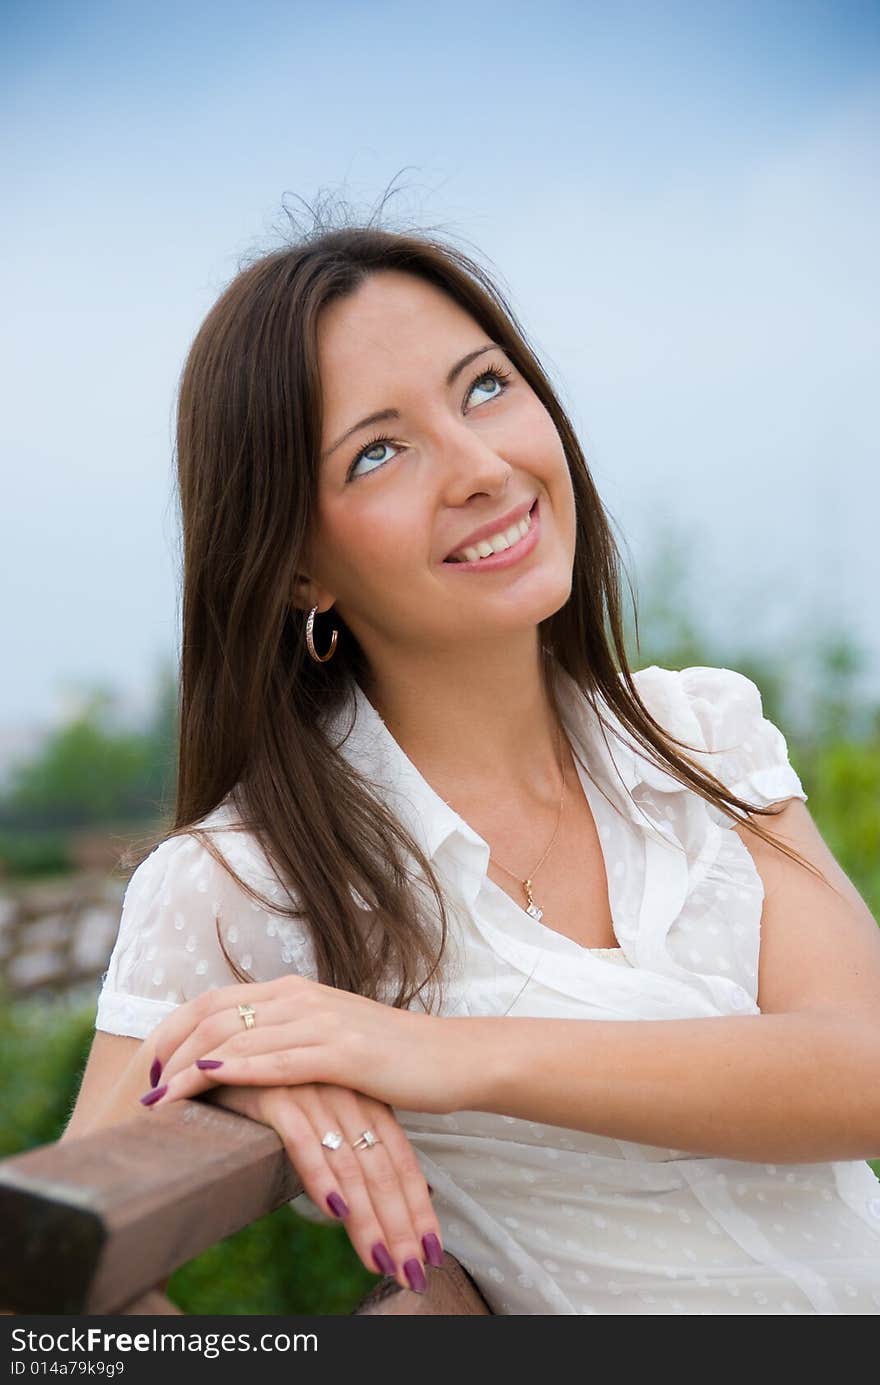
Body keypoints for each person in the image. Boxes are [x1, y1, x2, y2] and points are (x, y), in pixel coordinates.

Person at [63, 218, 880, 1315]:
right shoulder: (237, 880)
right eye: (378, 451)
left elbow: (863, 1067)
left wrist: (437, 1054)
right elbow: (57, 1293)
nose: (483, 467)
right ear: (298, 565)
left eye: (484, 388)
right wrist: (247, 1095)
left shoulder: (700, 732)